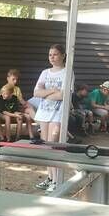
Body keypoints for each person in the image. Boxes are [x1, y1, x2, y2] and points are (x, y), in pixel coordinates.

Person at [33, 44, 74, 192]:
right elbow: (36, 93)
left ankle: (57, 180)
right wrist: (51, 90)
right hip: (44, 112)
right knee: (45, 147)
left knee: (53, 145)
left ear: (63, 55)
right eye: (50, 54)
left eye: (55, 54)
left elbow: (63, 95)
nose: (52, 57)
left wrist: (46, 93)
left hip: (57, 113)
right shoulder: (45, 73)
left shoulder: (67, 72)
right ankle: (50, 178)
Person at [5, 69, 38, 137]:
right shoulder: (4, 89)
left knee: (29, 112)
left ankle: (32, 135)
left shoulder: (17, 89)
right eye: (13, 79)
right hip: (8, 110)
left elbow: (21, 101)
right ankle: (17, 137)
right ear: (8, 79)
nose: (15, 81)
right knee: (22, 117)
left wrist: (28, 105)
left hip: (17, 109)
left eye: (16, 79)